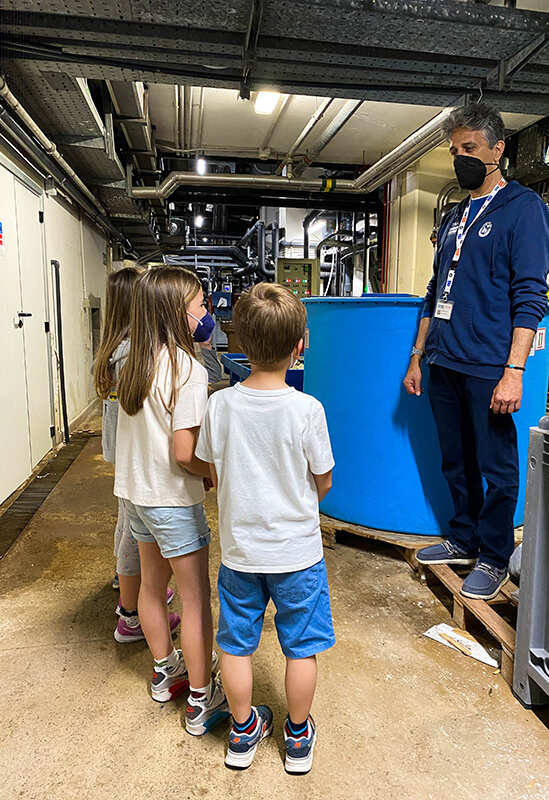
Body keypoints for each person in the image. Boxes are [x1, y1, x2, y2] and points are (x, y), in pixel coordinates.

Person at [403, 103, 549, 600]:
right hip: (444, 360)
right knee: (455, 459)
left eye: (470, 149)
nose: (460, 158)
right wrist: (418, 356)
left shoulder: (523, 208)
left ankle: (493, 555)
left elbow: (530, 297)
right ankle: (462, 537)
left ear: (498, 149)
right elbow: (432, 291)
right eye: (454, 151)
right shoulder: (453, 217)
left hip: (489, 364)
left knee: (496, 465)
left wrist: (515, 370)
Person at [195, 283, 335, 774]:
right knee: (302, 646)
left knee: (234, 642)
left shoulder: (219, 405)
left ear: (240, 344)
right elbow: (324, 481)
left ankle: (242, 732)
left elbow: (208, 468)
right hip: (298, 554)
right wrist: (297, 507)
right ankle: (297, 739)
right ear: (301, 345)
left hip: (240, 554)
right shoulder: (307, 409)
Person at [115, 266, 229, 735]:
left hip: (137, 497)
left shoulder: (135, 361)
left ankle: (166, 673)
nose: (207, 314)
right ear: (179, 315)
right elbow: (185, 453)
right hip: (172, 504)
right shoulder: (187, 368)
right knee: (196, 599)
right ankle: (203, 698)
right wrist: (212, 473)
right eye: (201, 305)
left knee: (149, 587)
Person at [93, 266, 179, 643]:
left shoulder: (113, 349)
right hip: (136, 459)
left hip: (122, 455)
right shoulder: (134, 354)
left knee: (127, 523)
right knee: (133, 531)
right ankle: (132, 613)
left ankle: (130, 585)